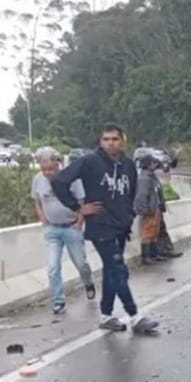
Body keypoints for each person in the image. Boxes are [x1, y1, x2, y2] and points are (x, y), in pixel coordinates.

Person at [49, 122, 159, 334]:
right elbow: (59, 182)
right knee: (119, 270)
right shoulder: (90, 161)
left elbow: (130, 194)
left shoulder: (128, 166)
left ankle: (106, 315)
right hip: (100, 227)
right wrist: (79, 207)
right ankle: (134, 316)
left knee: (112, 272)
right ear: (101, 141)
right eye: (106, 140)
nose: (110, 144)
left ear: (122, 141)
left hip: (120, 226)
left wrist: (128, 217)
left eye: (114, 139)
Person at [30, 146, 96, 315]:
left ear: (58, 164)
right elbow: (37, 202)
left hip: (71, 227)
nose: (48, 173)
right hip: (52, 229)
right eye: (44, 169)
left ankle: (88, 282)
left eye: (51, 169)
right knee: (53, 267)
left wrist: (79, 222)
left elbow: (83, 203)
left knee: (80, 263)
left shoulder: (72, 179)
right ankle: (58, 301)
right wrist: (44, 221)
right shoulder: (38, 179)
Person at [134, 154, 165, 264]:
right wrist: (145, 210)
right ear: (148, 165)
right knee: (147, 232)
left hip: (155, 208)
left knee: (154, 232)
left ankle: (154, 254)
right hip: (149, 210)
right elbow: (142, 196)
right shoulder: (144, 178)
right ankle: (146, 256)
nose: (155, 165)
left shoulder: (152, 177)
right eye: (153, 163)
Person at [155, 185, 183, 259]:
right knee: (156, 232)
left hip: (159, 209)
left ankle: (168, 249)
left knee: (162, 231)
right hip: (154, 210)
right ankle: (160, 252)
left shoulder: (154, 179)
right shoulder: (146, 179)